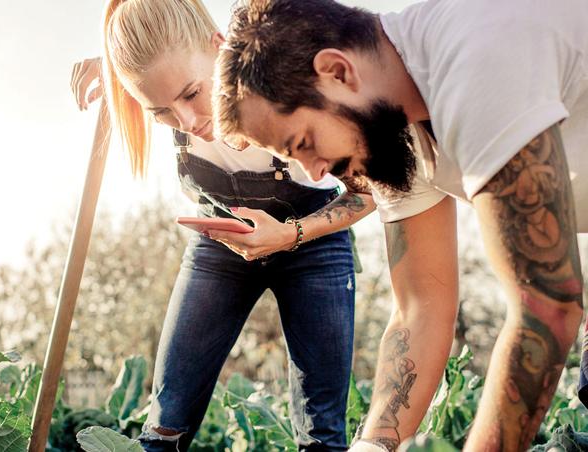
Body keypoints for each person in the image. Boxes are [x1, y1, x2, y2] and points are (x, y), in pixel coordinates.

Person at [213, 0, 587, 450]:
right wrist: (372, 446)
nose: (314, 173)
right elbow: (420, 307)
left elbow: (545, 306)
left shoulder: (474, 61)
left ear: (337, 71)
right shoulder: (392, 127)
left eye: (304, 143)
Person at [70, 0, 376, 450]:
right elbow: (160, 79)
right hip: (221, 249)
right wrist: (112, 69)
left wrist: (288, 234)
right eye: (163, 113)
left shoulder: (288, 86)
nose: (188, 122)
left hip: (314, 243)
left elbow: (365, 195)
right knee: (166, 424)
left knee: (322, 430)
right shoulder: (169, 85)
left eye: (193, 94)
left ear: (220, 49)